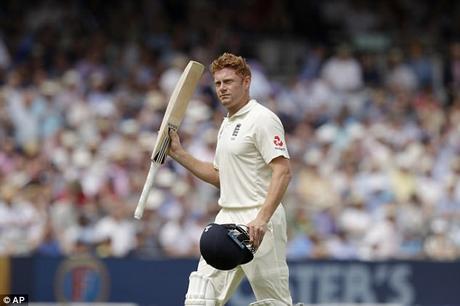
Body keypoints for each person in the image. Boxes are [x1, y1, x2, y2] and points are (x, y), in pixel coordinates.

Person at [168, 52, 293, 305]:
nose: (222, 89)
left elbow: (283, 171)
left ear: (246, 82)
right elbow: (220, 177)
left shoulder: (263, 119)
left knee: (274, 303)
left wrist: (262, 218)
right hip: (227, 219)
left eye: (228, 82)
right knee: (199, 299)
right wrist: (179, 154)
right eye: (217, 83)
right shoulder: (226, 123)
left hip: (260, 221)